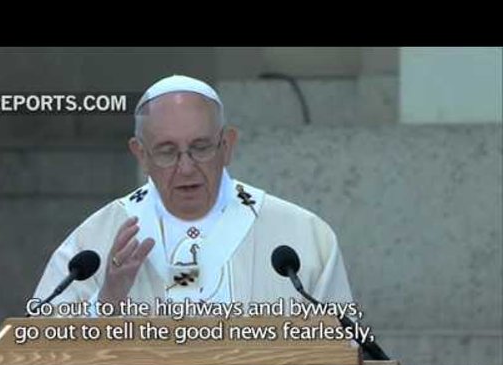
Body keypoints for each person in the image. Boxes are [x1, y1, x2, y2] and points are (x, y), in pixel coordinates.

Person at [32, 75, 353, 313]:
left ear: (226, 146)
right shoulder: (92, 245)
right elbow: (40, 349)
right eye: (167, 151)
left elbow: (344, 349)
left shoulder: (302, 238)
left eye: (200, 148)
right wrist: (107, 301)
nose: (186, 168)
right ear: (141, 154)